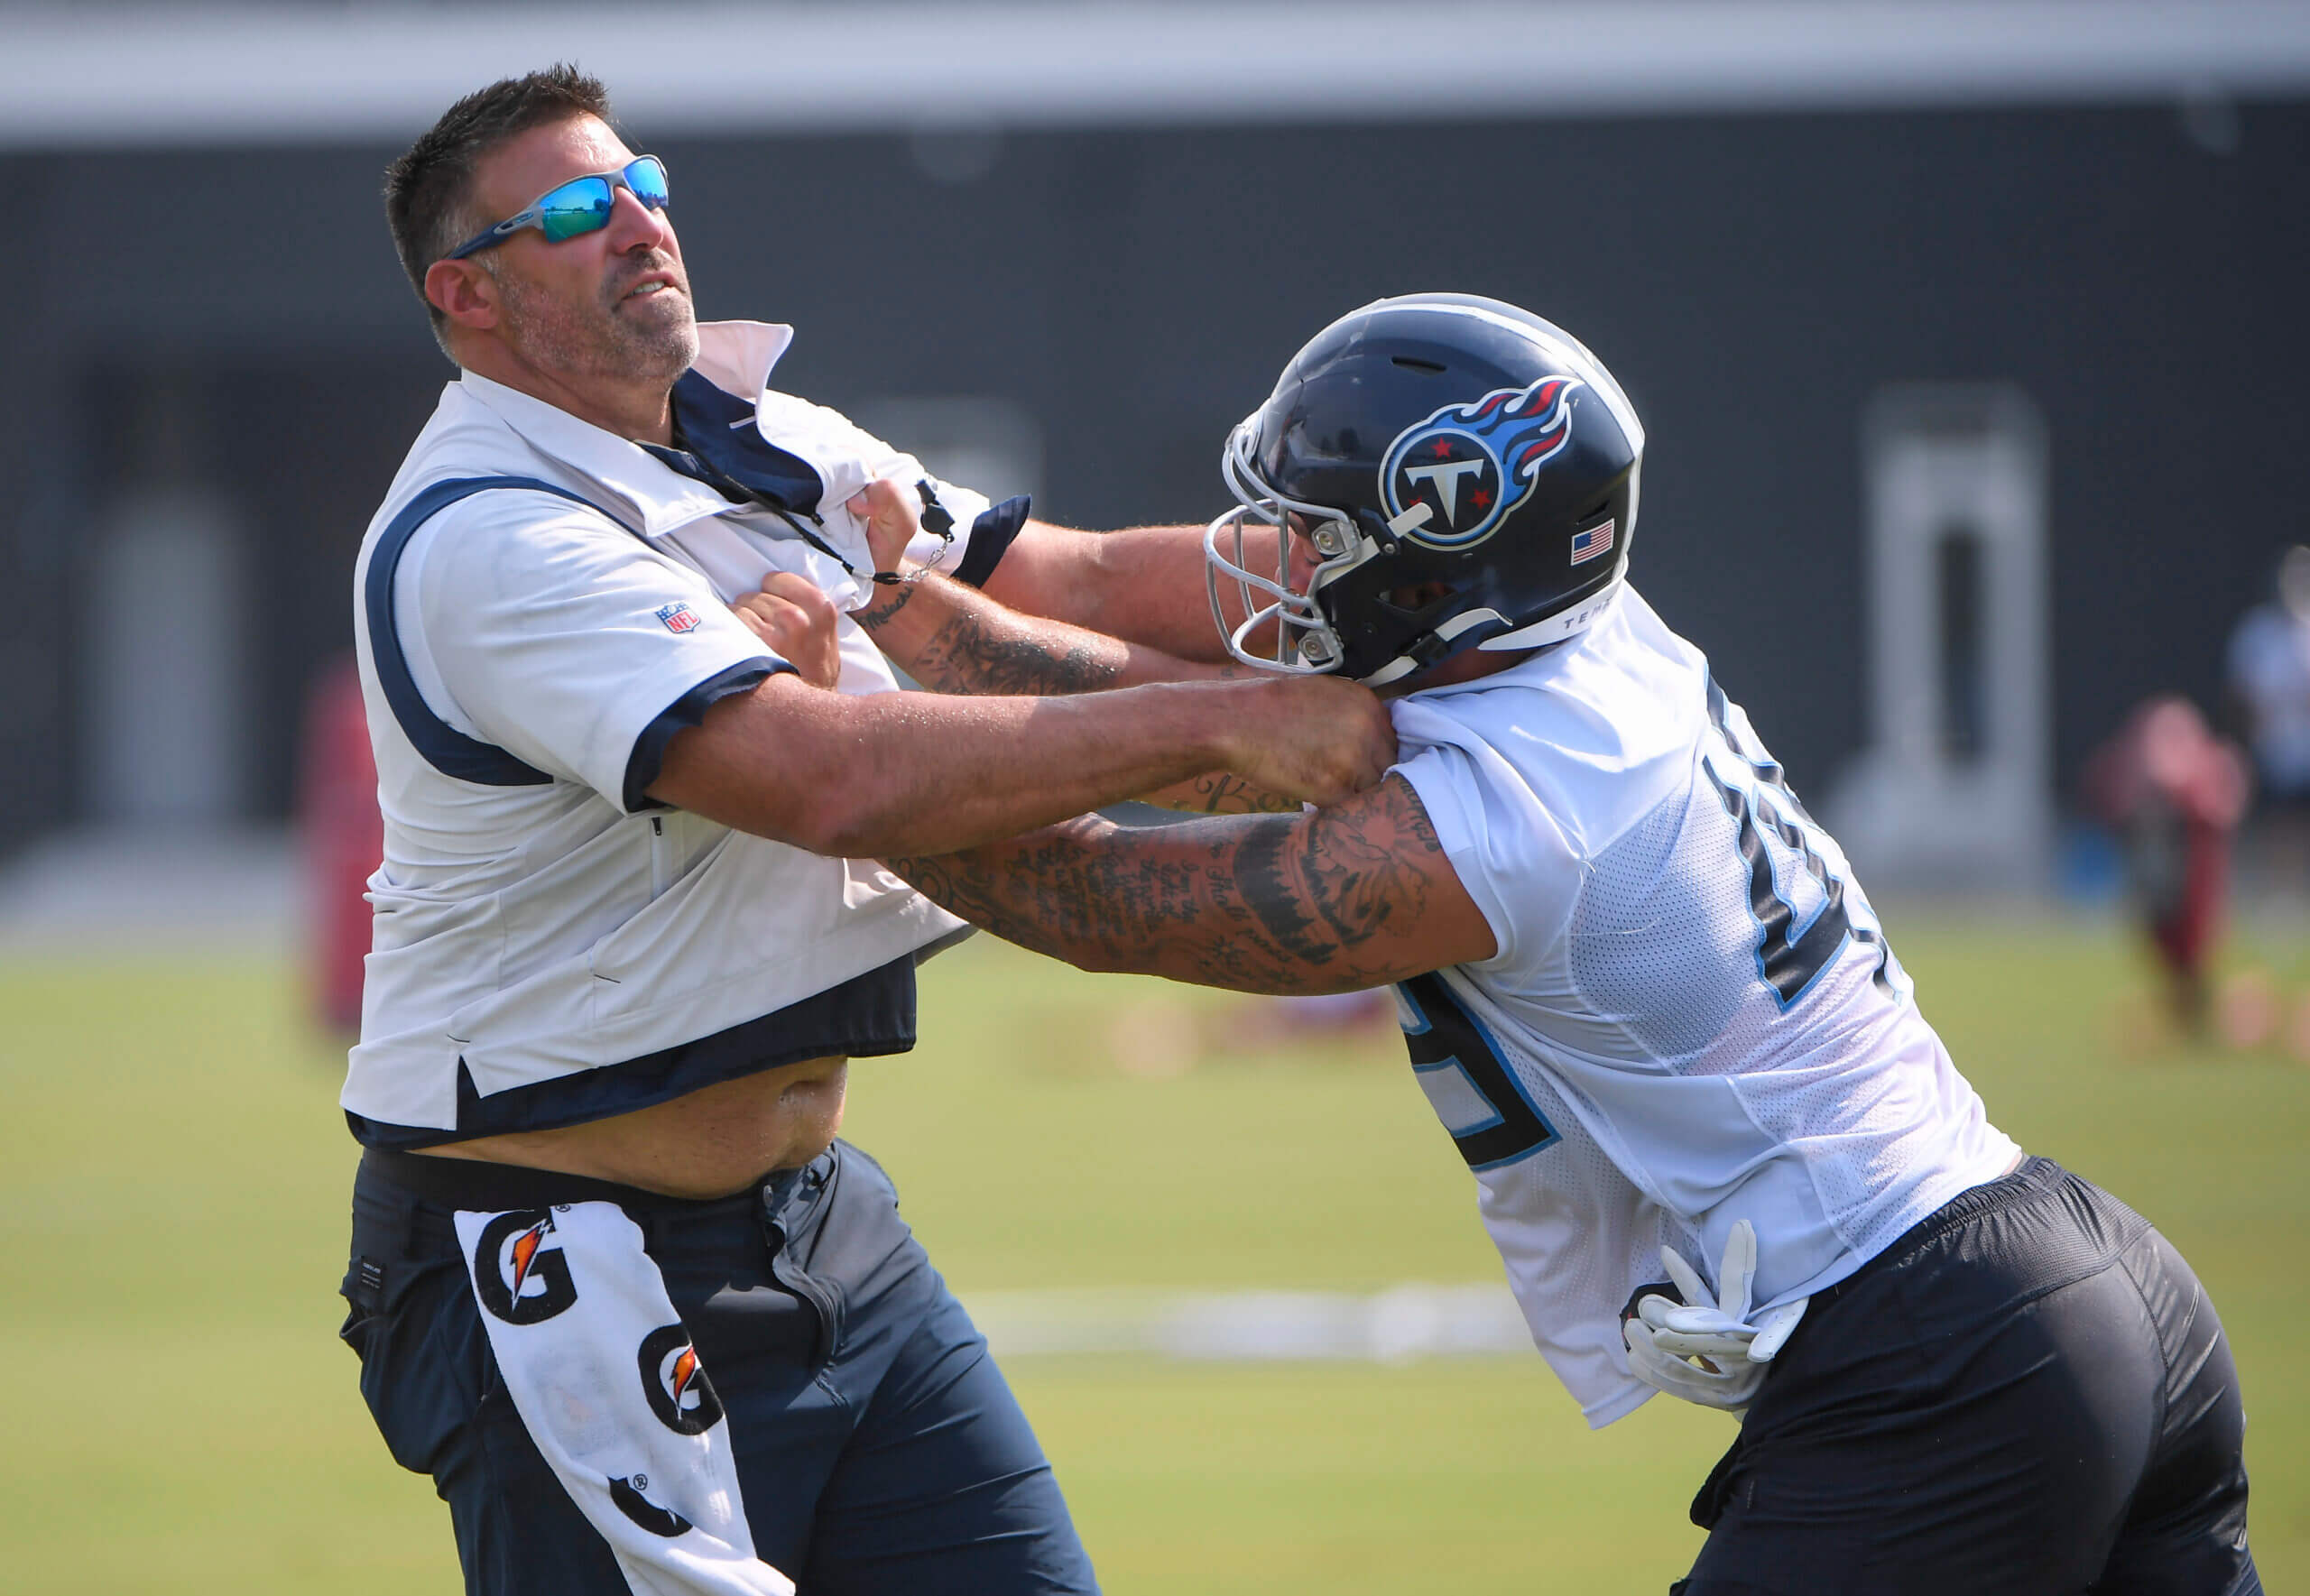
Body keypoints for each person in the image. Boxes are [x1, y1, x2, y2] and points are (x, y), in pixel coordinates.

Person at [842, 294, 2262, 1594]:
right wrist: (877, 535)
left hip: (1940, 1353)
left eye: (1320, 536)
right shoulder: (1574, 638)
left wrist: (820, 757)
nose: (1279, 567)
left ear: (1431, 564)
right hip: (2083, 1280)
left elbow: (1087, 898)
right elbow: (1094, 595)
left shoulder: (1511, 822)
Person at [339, 68, 1394, 1596]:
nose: (639, 221)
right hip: (562, 1258)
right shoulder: (487, 534)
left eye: (646, 182)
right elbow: (825, 770)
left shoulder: (755, 429)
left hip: (821, 1220)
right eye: (576, 210)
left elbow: (1077, 581)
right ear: (469, 293)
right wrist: (1223, 722)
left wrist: (1381, 577)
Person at [2083, 696, 2251, 1031]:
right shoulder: (2136, 776)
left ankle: (2217, 1009)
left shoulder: (2201, 772)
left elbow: (2218, 808)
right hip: (2160, 874)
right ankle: (2194, 1009)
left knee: (2191, 938)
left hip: (2185, 873)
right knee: (2167, 935)